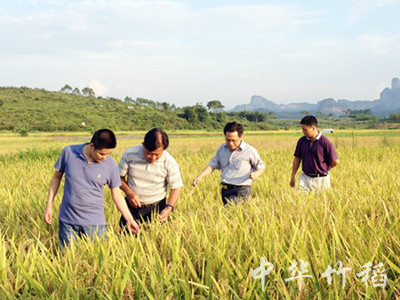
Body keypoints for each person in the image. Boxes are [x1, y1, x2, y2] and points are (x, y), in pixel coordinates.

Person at [44, 129, 140, 248]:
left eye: (108, 154)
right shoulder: (69, 152)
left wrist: (129, 219)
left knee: (97, 261)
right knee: (67, 261)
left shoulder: (110, 164)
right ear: (91, 146)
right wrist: (49, 205)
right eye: (102, 154)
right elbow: (56, 178)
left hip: (95, 225)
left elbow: (116, 194)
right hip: (68, 222)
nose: (105, 157)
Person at [118, 128, 183, 228]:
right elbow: (119, 177)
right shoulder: (130, 154)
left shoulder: (169, 162)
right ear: (143, 145)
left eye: (157, 154)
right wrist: (129, 192)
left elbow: (175, 188)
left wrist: (168, 208)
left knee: (155, 240)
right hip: (131, 207)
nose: (153, 158)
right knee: (126, 237)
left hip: (156, 208)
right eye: (149, 153)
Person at [192, 122, 265, 205]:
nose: (230, 143)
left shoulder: (249, 150)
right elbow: (212, 165)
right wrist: (200, 176)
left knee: (230, 207)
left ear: (241, 137)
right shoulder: (222, 149)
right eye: (228, 140)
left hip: (241, 190)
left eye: (234, 140)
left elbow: (261, 167)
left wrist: (256, 174)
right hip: (225, 190)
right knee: (229, 214)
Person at [290, 115, 339, 192]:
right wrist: (293, 176)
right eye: (302, 129)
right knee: (301, 201)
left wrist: (324, 169)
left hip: (322, 179)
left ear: (313, 128)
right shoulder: (301, 141)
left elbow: (335, 161)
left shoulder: (325, 142)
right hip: (305, 178)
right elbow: (297, 159)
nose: (303, 132)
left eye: (305, 129)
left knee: (321, 201)